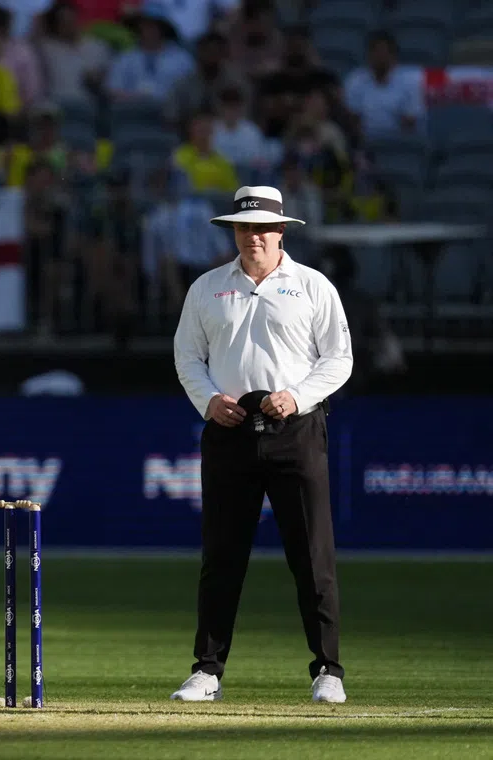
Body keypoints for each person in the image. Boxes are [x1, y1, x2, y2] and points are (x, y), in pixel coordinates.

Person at [171, 185, 353, 703]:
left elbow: (338, 358)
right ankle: (207, 671)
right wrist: (208, 401)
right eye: (243, 227)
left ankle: (329, 671)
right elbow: (188, 356)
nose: (252, 236)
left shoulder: (313, 285)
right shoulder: (207, 287)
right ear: (234, 230)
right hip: (228, 430)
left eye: (261, 228)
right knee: (222, 556)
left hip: (295, 430)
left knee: (312, 555)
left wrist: (296, 397)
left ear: (281, 231)